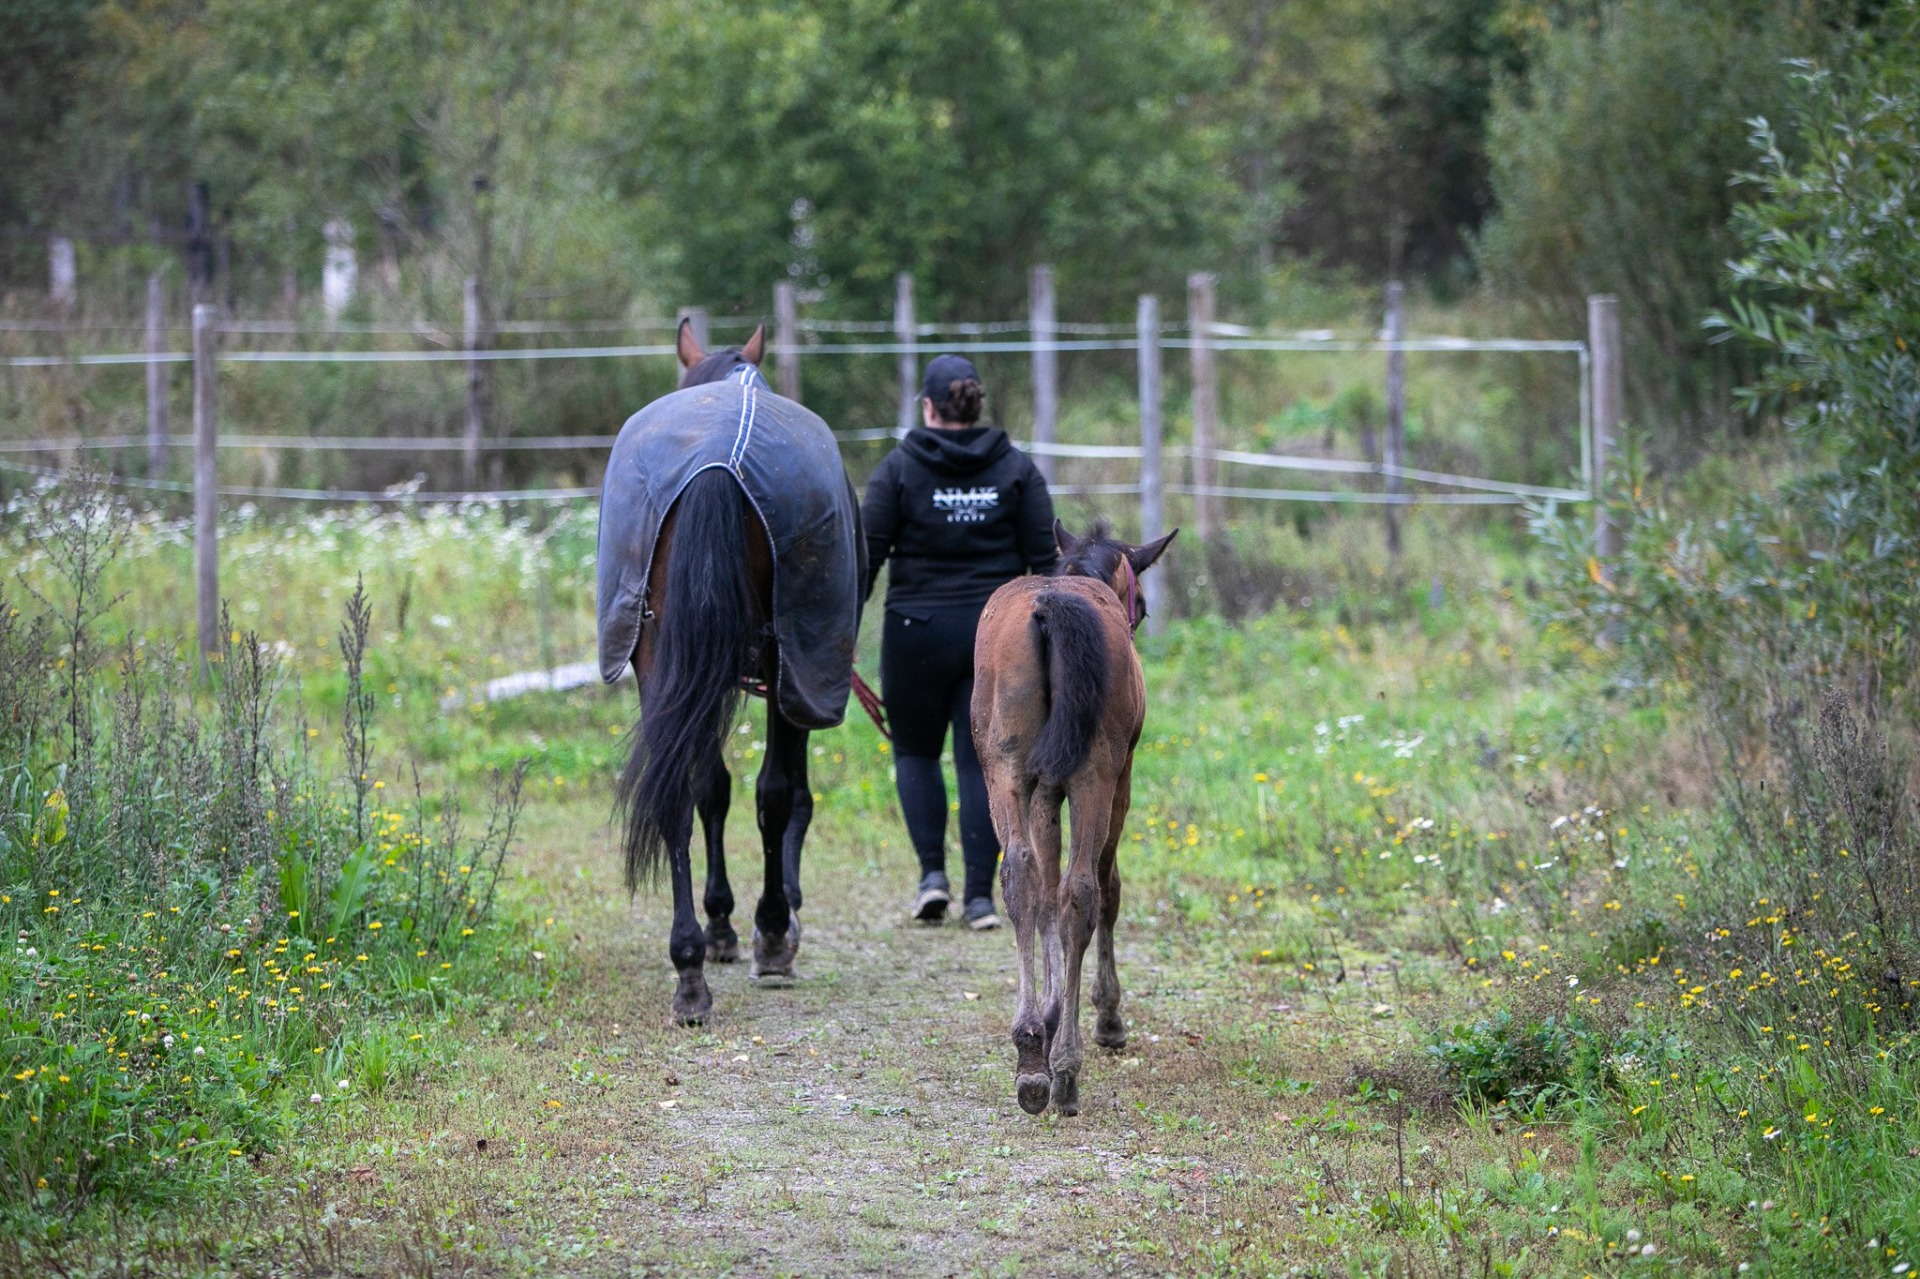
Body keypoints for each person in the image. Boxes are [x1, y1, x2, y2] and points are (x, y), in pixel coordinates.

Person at [862, 354, 1057, 929]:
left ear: (928, 407)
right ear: (976, 404)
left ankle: (932, 879)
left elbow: (866, 558)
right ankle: (979, 899)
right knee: (985, 761)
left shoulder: (897, 469)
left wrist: (835, 634)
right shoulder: (1016, 469)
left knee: (915, 753)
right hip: (998, 639)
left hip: (914, 634)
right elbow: (1047, 565)